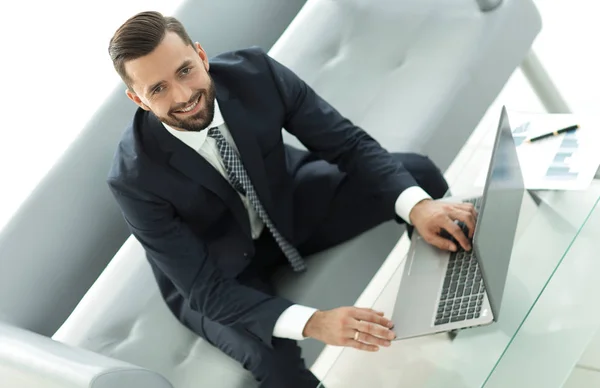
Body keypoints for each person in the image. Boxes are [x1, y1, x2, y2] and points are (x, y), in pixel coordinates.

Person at [106, 11, 477, 388]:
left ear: (201, 55)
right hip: (219, 273)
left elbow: (347, 145)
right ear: (138, 98)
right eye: (158, 89)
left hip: (289, 207)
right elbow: (205, 291)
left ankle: (465, 313)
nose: (183, 96)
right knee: (277, 367)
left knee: (418, 181)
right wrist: (316, 322)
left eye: (185, 71)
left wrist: (418, 207)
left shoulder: (256, 74)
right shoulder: (133, 179)